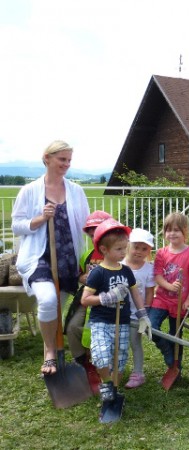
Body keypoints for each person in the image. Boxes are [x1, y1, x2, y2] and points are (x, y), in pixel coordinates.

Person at [11, 140, 90, 375]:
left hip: (67, 259)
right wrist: (38, 219)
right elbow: (17, 225)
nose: (66, 164)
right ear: (47, 158)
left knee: (56, 309)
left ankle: (58, 346)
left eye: (68, 160)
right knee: (47, 301)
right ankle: (50, 352)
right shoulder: (30, 190)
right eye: (61, 159)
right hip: (39, 258)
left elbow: (87, 225)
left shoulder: (76, 191)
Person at [81, 220, 152, 402]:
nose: (123, 253)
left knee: (119, 361)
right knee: (101, 357)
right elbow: (85, 299)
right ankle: (106, 382)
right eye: (119, 249)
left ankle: (113, 389)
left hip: (122, 323)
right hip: (101, 322)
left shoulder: (126, 271)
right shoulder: (98, 273)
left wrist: (143, 315)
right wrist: (109, 297)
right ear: (104, 250)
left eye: (124, 248)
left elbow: (135, 293)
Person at [64, 210, 112, 390]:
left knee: (98, 332)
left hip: (108, 299)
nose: (95, 239)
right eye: (92, 236)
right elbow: (81, 274)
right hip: (87, 297)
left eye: (98, 234)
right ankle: (84, 363)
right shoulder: (88, 255)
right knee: (73, 327)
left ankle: (105, 364)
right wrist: (83, 278)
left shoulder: (117, 252)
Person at [149, 212, 189, 374]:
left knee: (176, 335)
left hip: (181, 302)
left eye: (177, 230)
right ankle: (167, 351)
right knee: (151, 326)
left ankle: (176, 368)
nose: (172, 233)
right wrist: (169, 286)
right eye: (168, 230)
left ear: (185, 232)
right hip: (162, 299)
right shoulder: (161, 253)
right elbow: (157, 275)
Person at [122, 228, 156, 389]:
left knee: (135, 343)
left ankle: (138, 373)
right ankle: (116, 369)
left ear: (149, 250)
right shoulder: (119, 265)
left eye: (144, 249)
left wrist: (146, 312)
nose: (139, 252)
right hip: (118, 313)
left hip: (138, 314)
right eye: (136, 247)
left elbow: (149, 291)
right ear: (128, 245)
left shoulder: (149, 269)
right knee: (119, 342)